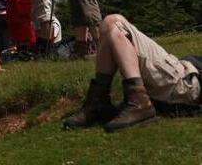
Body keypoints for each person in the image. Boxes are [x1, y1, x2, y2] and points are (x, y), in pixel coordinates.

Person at [63, 14, 201, 132]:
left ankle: (138, 102)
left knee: (115, 28)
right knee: (110, 22)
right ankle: (98, 102)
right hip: (180, 70)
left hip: (185, 81)